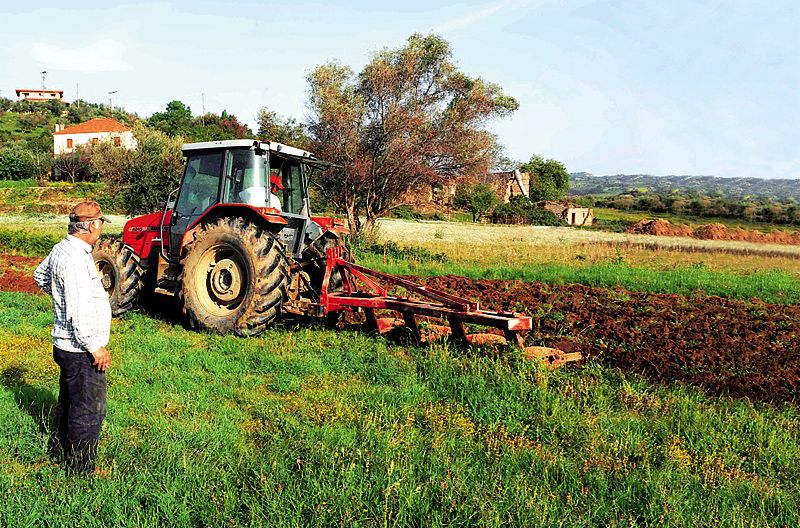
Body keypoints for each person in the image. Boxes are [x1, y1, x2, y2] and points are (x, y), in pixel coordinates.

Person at [33, 200, 112, 476]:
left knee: (68, 401)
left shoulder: (61, 248)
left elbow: (39, 274)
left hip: (64, 346)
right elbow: (78, 312)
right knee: (88, 410)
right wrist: (95, 347)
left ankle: (59, 450)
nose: (101, 227)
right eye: (100, 222)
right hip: (80, 349)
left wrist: (59, 298)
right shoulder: (77, 258)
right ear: (91, 225)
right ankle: (81, 469)